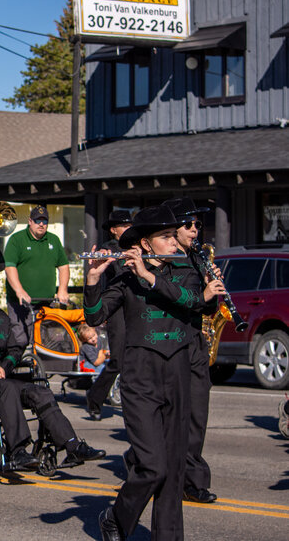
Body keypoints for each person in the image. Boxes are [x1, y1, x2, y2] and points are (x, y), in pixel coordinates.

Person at [86, 206, 224, 541]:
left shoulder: (188, 271)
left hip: (177, 375)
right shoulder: (127, 277)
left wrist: (150, 277)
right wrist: (91, 280)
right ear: (146, 244)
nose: (175, 242)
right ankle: (116, 518)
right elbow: (95, 315)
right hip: (140, 378)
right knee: (152, 466)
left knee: (174, 472)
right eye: (165, 237)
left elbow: (194, 300)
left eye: (173, 235)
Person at [0, 266, 105, 472]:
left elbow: (15, 348)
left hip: (3, 376)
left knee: (40, 390)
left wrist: (5, 366)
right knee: (6, 389)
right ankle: (17, 450)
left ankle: (72, 445)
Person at [163, 196, 219, 504]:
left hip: (195, 342)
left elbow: (208, 306)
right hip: (171, 343)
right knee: (170, 416)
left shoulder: (200, 258)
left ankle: (194, 480)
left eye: (198, 225)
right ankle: (150, 464)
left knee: (197, 413)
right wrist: (201, 294)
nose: (195, 230)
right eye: (189, 225)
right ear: (175, 229)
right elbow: (172, 298)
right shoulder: (166, 260)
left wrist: (213, 292)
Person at [3, 205, 70, 352]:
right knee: (21, 339)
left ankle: (39, 371)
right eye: (37, 220)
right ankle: (16, 369)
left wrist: (63, 290)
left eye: (44, 221)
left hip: (46, 302)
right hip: (20, 302)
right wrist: (20, 291)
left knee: (46, 341)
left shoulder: (53, 239)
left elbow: (63, 266)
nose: (41, 224)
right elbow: (9, 267)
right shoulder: (17, 239)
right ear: (30, 221)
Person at [85, 210, 132, 420]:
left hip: (137, 307)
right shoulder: (111, 247)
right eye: (124, 226)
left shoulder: (138, 246)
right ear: (114, 230)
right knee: (119, 360)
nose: (129, 229)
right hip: (118, 308)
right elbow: (114, 265)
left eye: (131, 225)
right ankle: (95, 398)